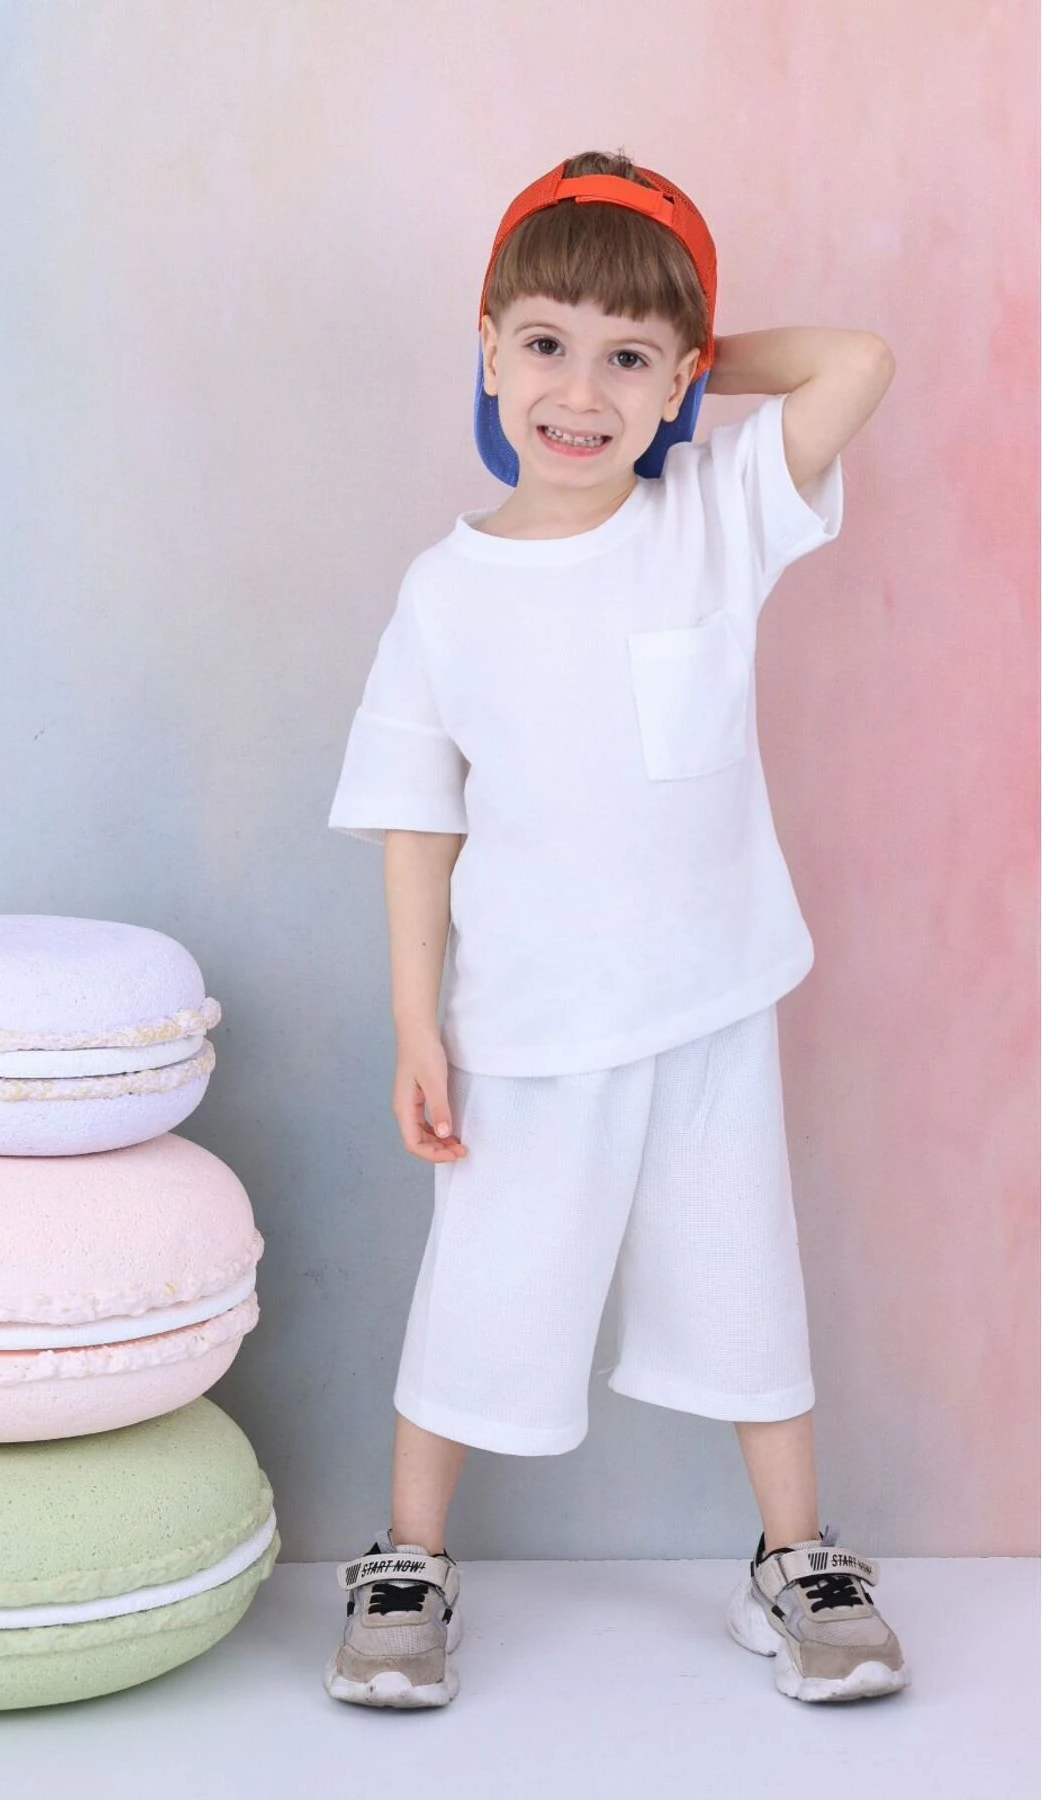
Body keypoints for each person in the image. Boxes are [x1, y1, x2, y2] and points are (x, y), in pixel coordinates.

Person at [324, 149, 905, 1710]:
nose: (580, 392)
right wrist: (415, 1021)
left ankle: (795, 1559)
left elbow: (857, 364)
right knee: (484, 1288)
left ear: (682, 381)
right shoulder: (444, 594)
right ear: (487, 348)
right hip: (527, 1024)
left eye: (630, 360)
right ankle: (408, 1560)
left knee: (746, 1279)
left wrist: (700, 365)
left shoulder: (714, 518)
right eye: (545, 345)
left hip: (710, 1003)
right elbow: (417, 818)